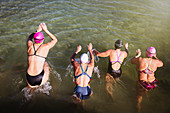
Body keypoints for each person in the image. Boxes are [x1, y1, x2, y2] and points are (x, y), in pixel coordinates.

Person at [131, 47, 163, 112]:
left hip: (142, 83)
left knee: (138, 99)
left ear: (146, 52)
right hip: (152, 83)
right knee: (148, 94)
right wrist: (156, 57)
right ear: (153, 54)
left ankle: (138, 110)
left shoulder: (140, 60)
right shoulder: (156, 62)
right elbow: (161, 64)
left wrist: (138, 54)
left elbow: (132, 61)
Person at [26, 23, 57, 89]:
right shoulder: (45, 47)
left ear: (34, 40)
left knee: (31, 90)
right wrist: (46, 30)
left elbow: (29, 37)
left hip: (29, 78)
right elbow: (55, 40)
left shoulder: (30, 46)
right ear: (42, 40)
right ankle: (45, 87)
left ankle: (31, 90)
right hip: (39, 77)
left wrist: (38, 30)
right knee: (46, 64)